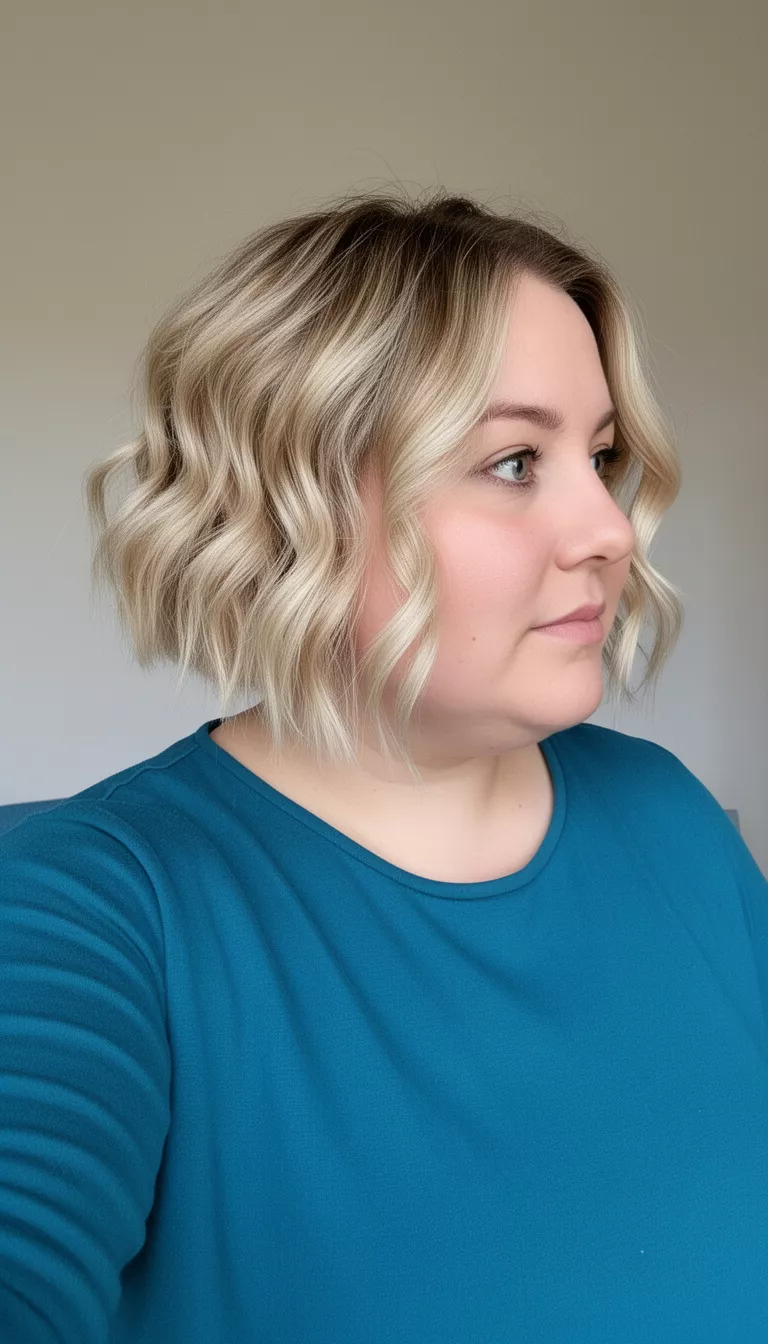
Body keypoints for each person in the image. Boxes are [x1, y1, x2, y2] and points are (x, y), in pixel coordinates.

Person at [1, 189, 766, 1343]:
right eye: (514, 461)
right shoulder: (91, 906)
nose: (607, 528)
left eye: (598, 455)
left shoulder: (669, 816)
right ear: (291, 503)